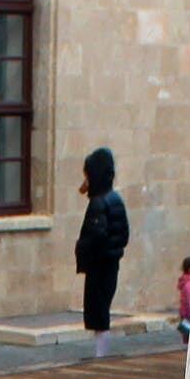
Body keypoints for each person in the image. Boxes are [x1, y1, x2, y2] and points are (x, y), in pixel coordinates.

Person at [75, 147, 130, 357]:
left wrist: (84, 250)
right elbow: (123, 234)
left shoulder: (99, 203)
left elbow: (96, 235)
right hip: (110, 262)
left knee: (97, 310)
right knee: (101, 308)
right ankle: (101, 352)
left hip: (99, 263)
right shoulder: (114, 199)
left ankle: (101, 354)